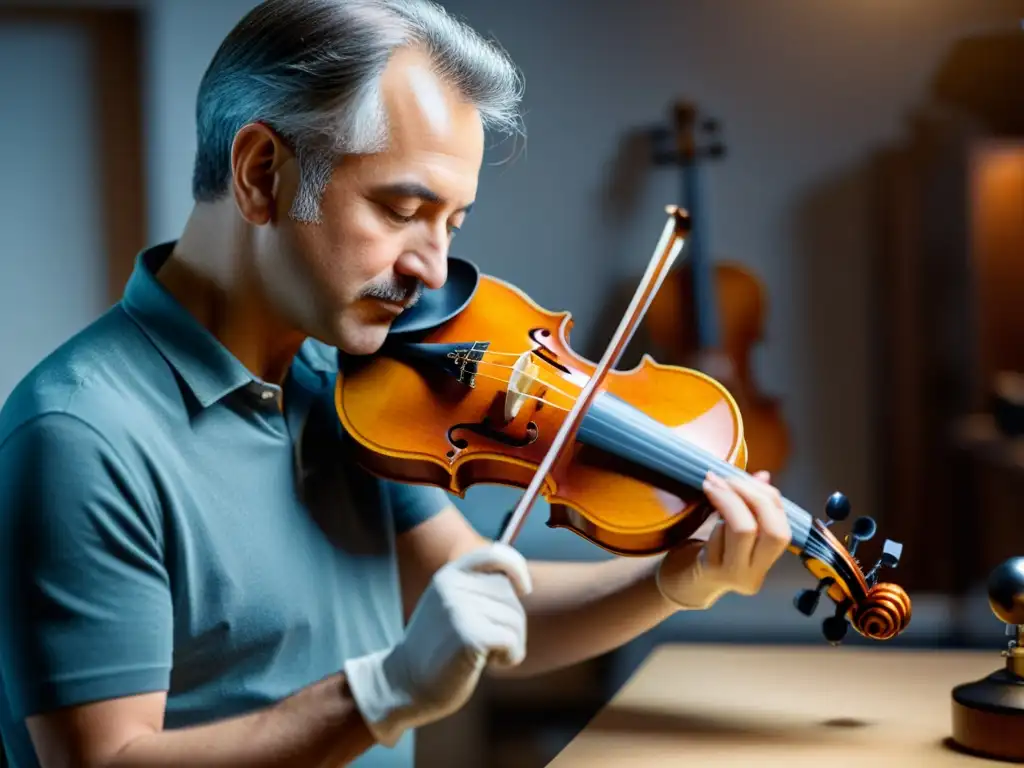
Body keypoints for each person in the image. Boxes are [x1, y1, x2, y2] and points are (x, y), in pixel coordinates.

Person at [0, 1, 792, 766]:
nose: (434, 270)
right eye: (402, 209)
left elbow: (486, 606)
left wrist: (679, 578)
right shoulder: (77, 436)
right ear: (261, 174)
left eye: (451, 223)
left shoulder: (346, 385)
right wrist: (384, 693)